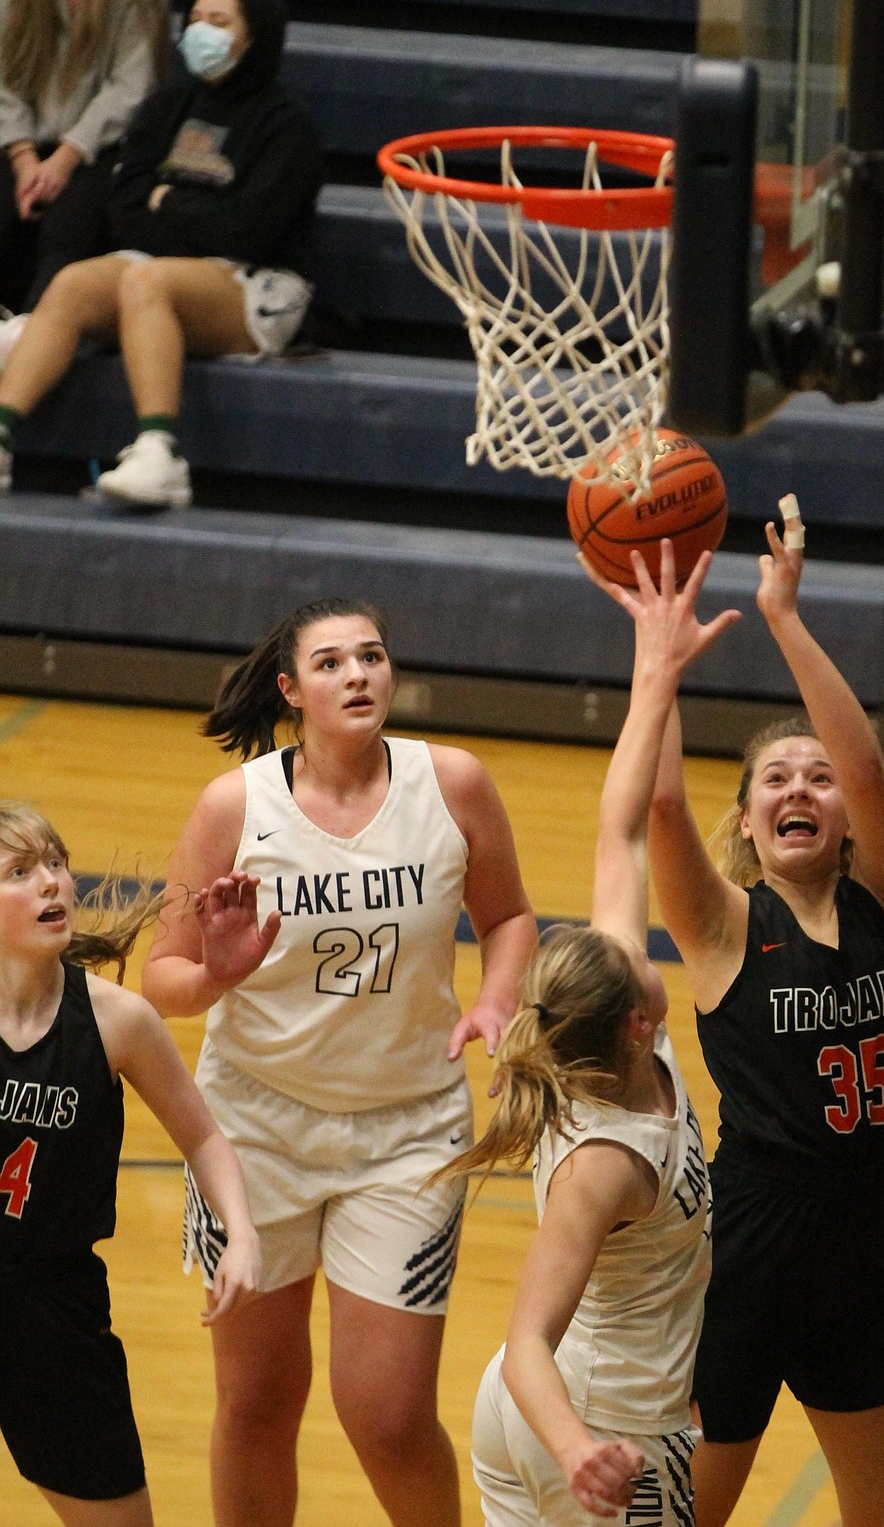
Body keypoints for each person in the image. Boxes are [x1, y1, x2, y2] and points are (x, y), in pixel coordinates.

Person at [141, 594, 538, 1527]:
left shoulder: (454, 783)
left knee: (390, 1417)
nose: (358, 673)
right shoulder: (237, 804)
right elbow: (163, 977)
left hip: (408, 1131)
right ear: (290, 690)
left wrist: (494, 999)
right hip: (251, 1131)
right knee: (256, 1404)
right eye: (331, 663)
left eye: (371, 656)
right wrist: (218, 973)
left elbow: (511, 915)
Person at [634, 497, 884, 1527]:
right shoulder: (725, 930)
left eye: (817, 778)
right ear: (752, 820)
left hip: (865, 1253)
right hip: (746, 1260)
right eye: (775, 778)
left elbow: (867, 762)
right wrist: (659, 666)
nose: (800, 786)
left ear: (844, 818)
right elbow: (663, 806)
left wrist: (787, 619)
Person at [452, 541, 739, 1527]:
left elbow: (621, 827)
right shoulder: (605, 1162)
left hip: (547, 1416)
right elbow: (529, 1335)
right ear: (640, 1016)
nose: (642, 936)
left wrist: (655, 663)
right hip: (599, 1429)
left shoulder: (613, 1039)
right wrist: (583, 1455)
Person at [0, 800, 261, 1527]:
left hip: (56, 1310)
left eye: (55, 862)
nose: (51, 881)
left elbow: (204, 1137)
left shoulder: (118, 1021)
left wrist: (239, 1232)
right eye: (20, 871)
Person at [0, 0, 323, 505]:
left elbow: (250, 231)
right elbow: (125, 213)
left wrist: (168, 203)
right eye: (195, 19)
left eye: (219, 23)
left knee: (146, 279)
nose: (201, 32)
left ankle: (159, 456)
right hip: (157, 268)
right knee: (75, 281)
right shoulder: (165, 108)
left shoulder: (289, 128)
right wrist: (189, 214)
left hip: (260, 287)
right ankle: (2, 437)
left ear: (257, 37)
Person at [0, 0, 170, 323]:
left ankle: (24, 350)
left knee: (67, 230)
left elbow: (132, 83)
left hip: (98, 149)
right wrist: (25, 158)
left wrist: (65, 159)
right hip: (18, 139)